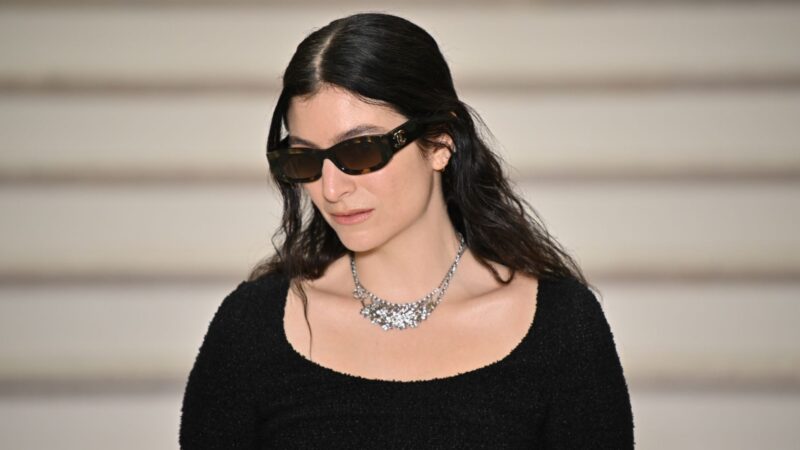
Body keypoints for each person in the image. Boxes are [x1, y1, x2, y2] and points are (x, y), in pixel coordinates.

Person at [179, 12, 634, 449]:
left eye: (360, 151)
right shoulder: (252, 326)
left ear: (439, 143)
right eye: (305, 159)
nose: (331, 189)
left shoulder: (562, 326)